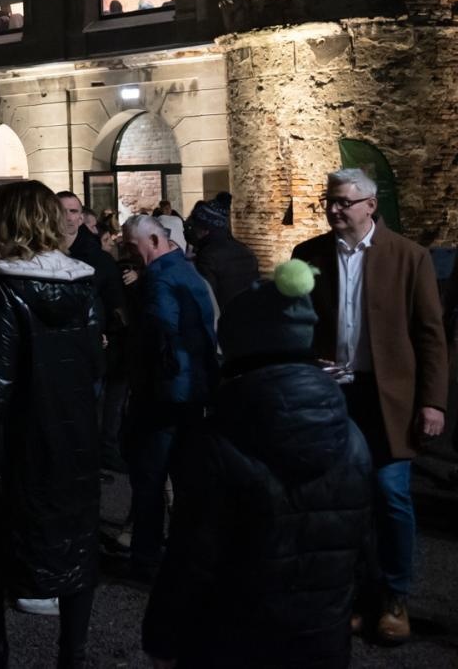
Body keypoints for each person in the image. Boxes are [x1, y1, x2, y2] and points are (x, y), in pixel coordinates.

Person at [143, 260, 373, 668]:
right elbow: (359, 544)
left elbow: (192, 557)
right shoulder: (350, 437)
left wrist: (163, 638)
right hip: (321, 641)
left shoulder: (221, 439)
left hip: (231, 641)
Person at [291, 167, 448, 643]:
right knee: (342, 499)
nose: (334, 209)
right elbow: (293, 320)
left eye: (343, 202)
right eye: (329, 201)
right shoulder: (309, 254)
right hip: (331, 394)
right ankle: (361, 594)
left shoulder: (409, 257)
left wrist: (433, 403)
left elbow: (430, 336)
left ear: (370, 205)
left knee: (391, 495)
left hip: (388, 400)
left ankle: (395, 597)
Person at [0, 182, 102, 669]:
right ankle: (72, 656)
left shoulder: (0, 286)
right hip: (73, 433)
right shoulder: (84, 283)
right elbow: (94, 367)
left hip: (16, 438)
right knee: (76, 543)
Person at [120, 213, 219, 580]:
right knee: (187, 477)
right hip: (192, 391)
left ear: (155, 242)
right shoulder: (186, 272)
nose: (130, 253)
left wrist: (151, 387)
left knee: (150, 479)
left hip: (165, 396)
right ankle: (188, 552)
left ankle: (147, 556)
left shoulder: (160, 281)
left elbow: (161, 338)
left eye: (133, 246)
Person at [58, 190, 130, 473]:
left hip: (89, 348)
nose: (68, 218)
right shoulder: (42, 252)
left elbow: (115, 304)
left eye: (74, 211)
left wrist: (108, 334)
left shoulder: (99, 261)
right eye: (62, 211)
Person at [186, 194, 258, 309]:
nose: (194, 231)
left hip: (224, 321)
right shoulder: (246, 251)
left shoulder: (207, 256)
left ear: (205, 229)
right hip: (248, 317)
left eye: (196, 227)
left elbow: (206, 298)